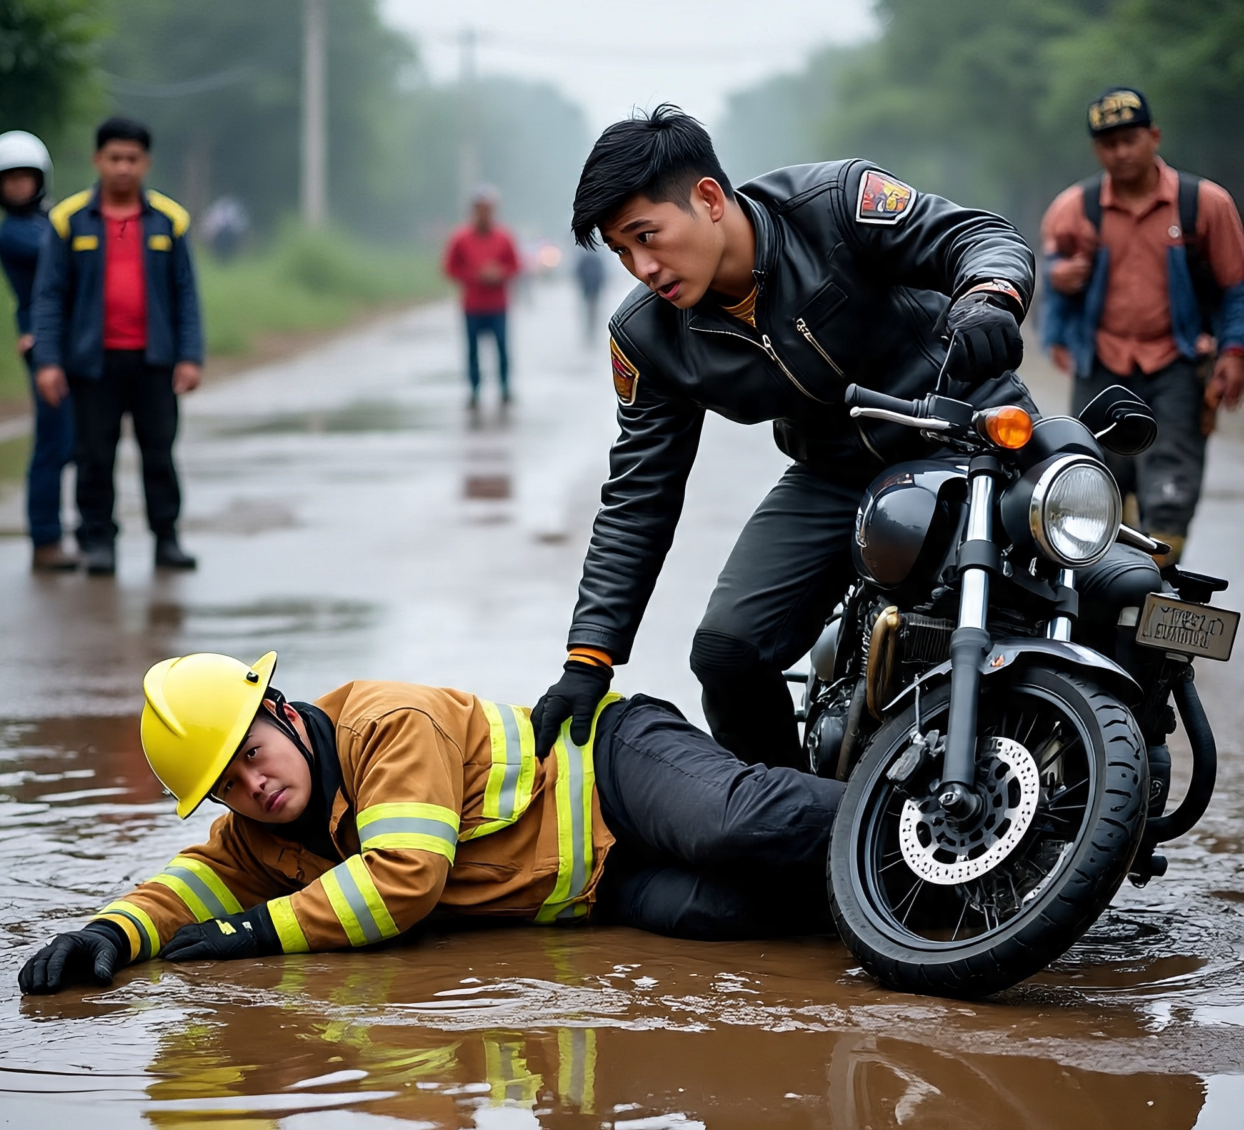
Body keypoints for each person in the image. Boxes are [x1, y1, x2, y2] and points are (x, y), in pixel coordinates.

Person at [530, 104, 1037, 771]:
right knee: (725, 653)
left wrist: (989, 296)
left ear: (708, 198)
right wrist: (588, 654)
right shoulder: (645, 336)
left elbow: (976, 238)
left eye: (647, 235)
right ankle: (802, 826)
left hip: (972, 432)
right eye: (624, 252)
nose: (642, 267)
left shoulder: (837, 202)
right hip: (834, 473)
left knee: (1108, 562)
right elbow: (638, 496)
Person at [16, 650, 844, 994]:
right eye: (226, 785)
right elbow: (196, 882)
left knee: (738, 826)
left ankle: (920, 808)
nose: (252, 785)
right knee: (736, 913)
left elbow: (404, 881)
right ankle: (934, 907)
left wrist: (255, 932)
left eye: (251, 752)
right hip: (599, 884)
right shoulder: (260, 828)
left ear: (281, 712)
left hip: (612, 769)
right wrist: (113, 934)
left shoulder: (386, 722)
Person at [1041, 87, 1244, 566]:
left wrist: (1234, 353)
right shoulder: (1076, 209)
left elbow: (1236, 286)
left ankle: (1157, 590)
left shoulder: (1203, 205)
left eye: (1130, 139)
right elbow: (1049, 272)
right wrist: (1060, 281)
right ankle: (1103, 590)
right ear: (1096, 150)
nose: (1121, 152)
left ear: (1154, 137)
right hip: (1101, 362)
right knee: (1090, 479)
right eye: (1108, 143)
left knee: (1171, 483)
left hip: (1177, 362)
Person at [31, 116, 204, 577]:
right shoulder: (68, 220)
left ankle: (166, 539)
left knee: (159, 455)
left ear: (145, 162)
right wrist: (48, 360)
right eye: (114, 158)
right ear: (98, 160)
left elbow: (186, 293)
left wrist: (190, 355)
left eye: (132, 159)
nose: (123, 168)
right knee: (93, 458)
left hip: (154, 361)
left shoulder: (171, 220)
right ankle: (98, 544)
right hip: (92, 363)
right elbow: (48, 294)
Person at [0, 131, 77, 572]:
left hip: (68, 339)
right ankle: (45, 540)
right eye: (9, 180)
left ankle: (82, 531)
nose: (18, 186)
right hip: (42, 341)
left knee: (78, 439)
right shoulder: (15, 233)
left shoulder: (45, 221)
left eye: (25, 177)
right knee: (53, 443)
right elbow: (67, 259)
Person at [442, 184, 520, 409]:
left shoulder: (504, 237)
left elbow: (515, 266)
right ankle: (474, 390)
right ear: (473, 210)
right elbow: (449, 268)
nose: (484, 212)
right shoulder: (461, 238)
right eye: (479, 208)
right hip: (473, 305)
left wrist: (499, 273)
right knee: (472, 351)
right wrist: (475, 275)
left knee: (502, 349)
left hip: (498, 305)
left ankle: (505, 388)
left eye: (488, 208)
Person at [574, 244, 606, 338]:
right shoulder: (597, 259)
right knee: (593, 310)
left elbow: (578, 273)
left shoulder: (583, 259)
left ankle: (590, 329)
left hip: (588, 288)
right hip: (594, 288)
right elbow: (602, 274)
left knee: (589, 309)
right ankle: (592, 328)